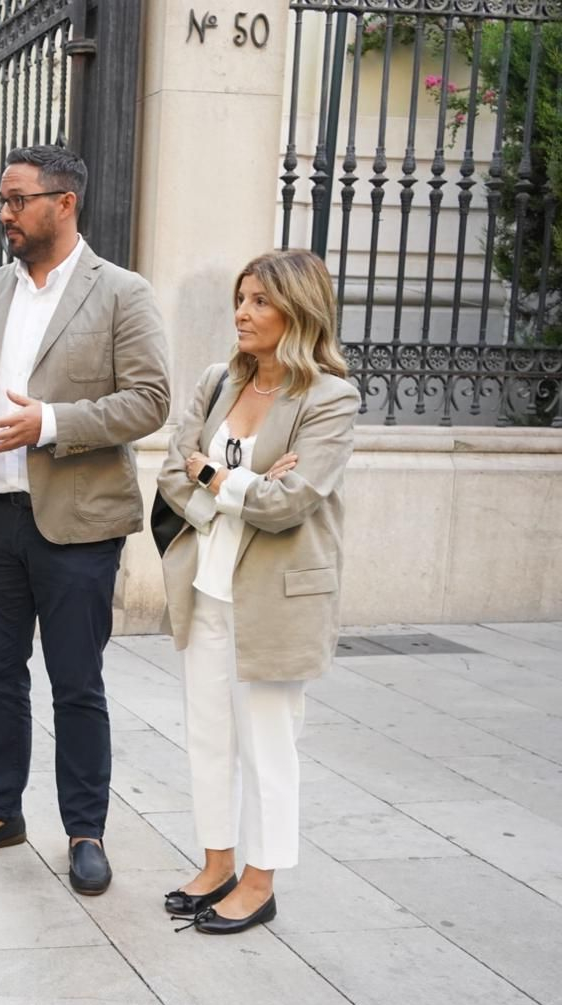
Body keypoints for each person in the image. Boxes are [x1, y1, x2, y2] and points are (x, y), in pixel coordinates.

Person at [0, 145, 170, 895]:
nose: (3, 214)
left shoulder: (122, 292)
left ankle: (85, 831)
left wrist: (51, 423)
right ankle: (1, 812)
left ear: (65, 203)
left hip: (77, 525)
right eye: (1, 200)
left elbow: (150, 399)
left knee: (77, 683)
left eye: (17, 200)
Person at [156, 249, 358, 934]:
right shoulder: (218, 381)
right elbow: (171, 474)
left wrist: (215, 476)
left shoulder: (329, 398)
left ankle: (260, 881)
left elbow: (290, 504)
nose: (242, 313)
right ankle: (217, 864)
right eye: (240, 299)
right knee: (208, 736)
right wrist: (244, 486)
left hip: (275, 598)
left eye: (260, 301)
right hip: (205, 586)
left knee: (267, 745)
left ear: (299, 309)